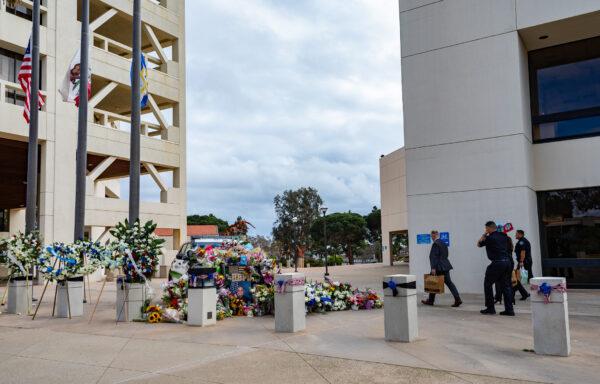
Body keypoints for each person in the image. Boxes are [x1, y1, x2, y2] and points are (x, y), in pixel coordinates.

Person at [477, 221, 514, 316]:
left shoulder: (490, 238)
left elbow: (479, 244)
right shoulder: (504, 236)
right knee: (506, 286)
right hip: (507, 262)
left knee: (488, 284)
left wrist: (484, 235)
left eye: (486, 228)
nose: (486, 230)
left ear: (489, 228)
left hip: (497, 263)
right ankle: (509, 310)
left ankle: (490, 308)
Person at [421, 230, 462, 307]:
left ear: (434, 235)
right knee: (449, 283)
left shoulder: (435, 244)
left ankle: (430, 301)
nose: (431, 238)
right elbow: (446, 254)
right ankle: (458, 299)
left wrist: (433, 268)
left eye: (432, 236)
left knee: (432, 282)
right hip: (445, 266)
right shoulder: (443, 243)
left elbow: (434, 256)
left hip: (438, 267)